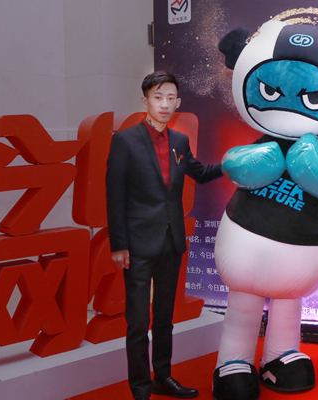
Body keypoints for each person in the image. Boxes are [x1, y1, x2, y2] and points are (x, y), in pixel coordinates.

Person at [106, 71, 223, 400]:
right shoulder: (124, 140)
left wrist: (230, 163)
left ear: (178, 102)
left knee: (164, 319)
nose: (165, 104)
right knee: (137, 322)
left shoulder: (180, 141)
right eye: (158, 97)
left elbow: (201, 173)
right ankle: (140, 389)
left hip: (171, 242)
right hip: (137, 245)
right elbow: (114, 195)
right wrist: (119, 245)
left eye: (171, 98)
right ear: (145, 100)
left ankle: (163, 378)